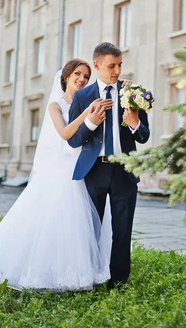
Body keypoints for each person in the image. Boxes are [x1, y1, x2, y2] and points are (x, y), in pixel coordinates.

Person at [0, 58, 114, 291]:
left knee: (78, 225)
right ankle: (39, 270)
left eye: (85, 76)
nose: (82, 79)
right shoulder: (55, 105)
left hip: (83, 167)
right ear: (66, 77)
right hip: (60, 169)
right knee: (55, 219)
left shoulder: (88, 101)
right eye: (77, 74)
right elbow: (64, 133)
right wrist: (86, 114)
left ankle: (78, 271)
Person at [68, 42, 150, 289]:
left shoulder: (132, 93)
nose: (117, 71)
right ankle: (90, 277)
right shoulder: (82, 97)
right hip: (94, 171)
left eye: (119, 65)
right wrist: (91, 122)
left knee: (123, 230)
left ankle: (119, 281)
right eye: (111, 66)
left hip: (124, 171)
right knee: (91, 230)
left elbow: (144, 136)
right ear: (97, 65)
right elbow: (73, 140)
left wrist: (135, 122)